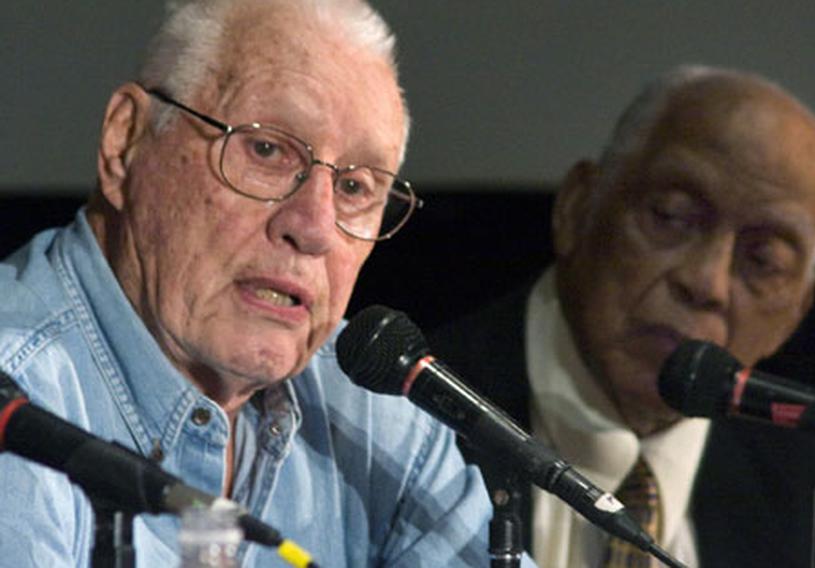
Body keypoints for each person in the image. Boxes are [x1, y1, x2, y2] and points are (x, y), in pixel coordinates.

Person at [0, 1, 526, 566]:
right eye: (267, 149)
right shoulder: (17, 399)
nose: (315, 227)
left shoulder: (374, 414)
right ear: (125, 141)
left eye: (354, 187)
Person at [430, 65, 815, 568]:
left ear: (795, 313)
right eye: (672, 216)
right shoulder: (405, 418)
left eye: (762, 259)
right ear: (576, 208)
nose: (706, 282)